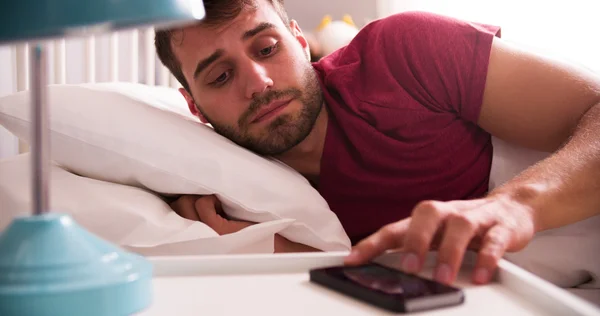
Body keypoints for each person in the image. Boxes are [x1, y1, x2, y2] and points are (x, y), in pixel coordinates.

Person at [155, 0, 600, 286]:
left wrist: (515, 205)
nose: (258, 82)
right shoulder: (228, 196)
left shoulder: (404, 53)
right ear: (194, 108)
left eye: (267, 48)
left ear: (297, 37)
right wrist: (285, 257)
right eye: (220, 76)